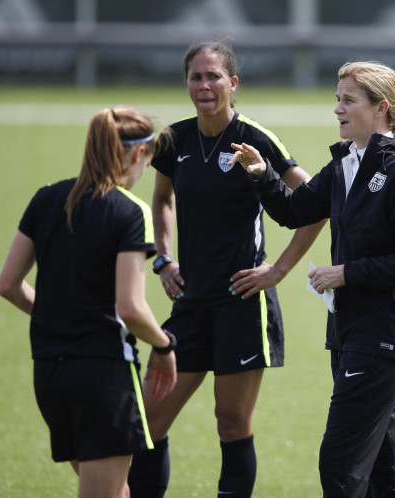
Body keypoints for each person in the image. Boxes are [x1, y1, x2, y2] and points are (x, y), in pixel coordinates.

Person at [230, 60, 395, 498]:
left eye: (348, 100)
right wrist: (262, 175)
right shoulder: (346, 161)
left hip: (386, 335)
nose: (338, 109)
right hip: (350, 330)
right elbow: (294, 211)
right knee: (386, 466)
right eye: (337, 100)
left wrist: (346, 273)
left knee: (340, 462)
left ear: (381, 108)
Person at [126, 40, 324, 498]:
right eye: (196, 77)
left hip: (243, 301)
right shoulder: (174, 140)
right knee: (148, 422)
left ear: (232, 83)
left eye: (213, 76)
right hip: (192, 301)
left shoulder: (254, 137)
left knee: (231, 422)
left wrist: (277, 269)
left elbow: (315, 202)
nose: (204, 85)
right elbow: (162, 199)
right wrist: (163, 259)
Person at [0, 106, 178, 498]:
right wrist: (164, 345)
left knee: (115, 490)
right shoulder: (129, 211)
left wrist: (55, 314)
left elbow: (9, 284)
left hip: (49, 374)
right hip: (102, 375)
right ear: (136, 154)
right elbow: (130, 307)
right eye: (148, 159)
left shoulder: (46, 199)